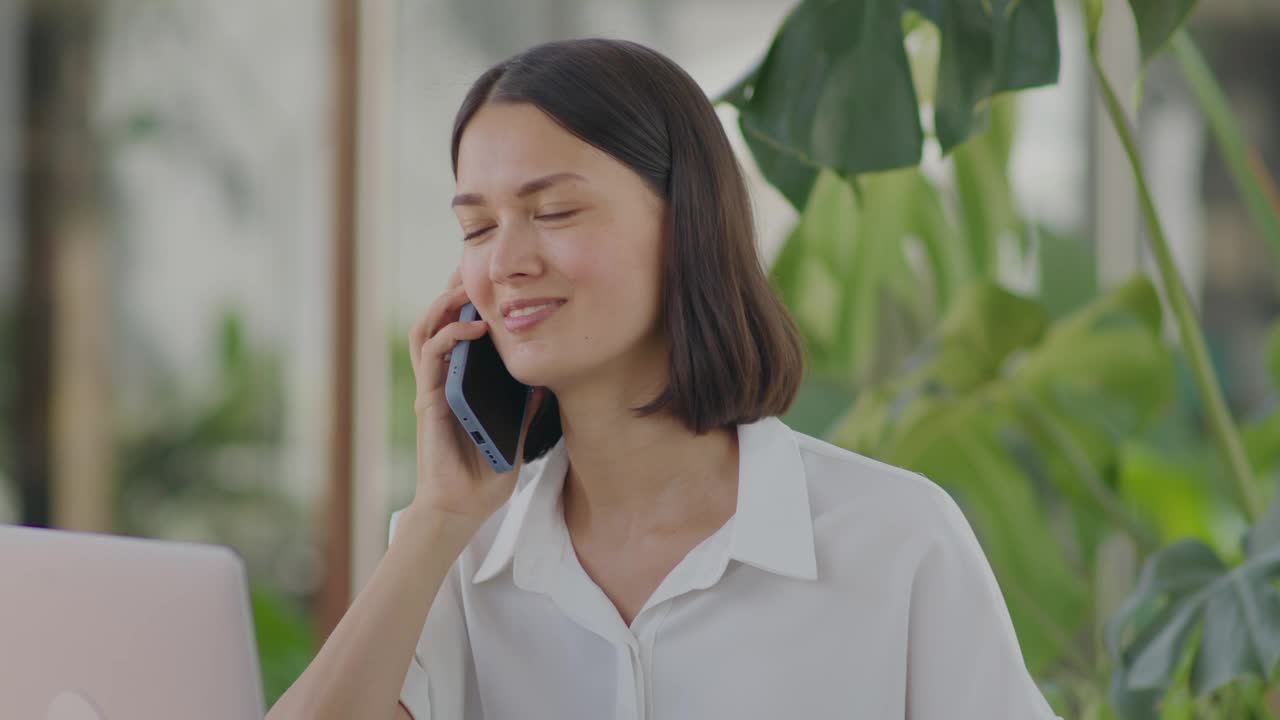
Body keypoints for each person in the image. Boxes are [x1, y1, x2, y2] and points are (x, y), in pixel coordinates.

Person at [266, 38, 1061, 720]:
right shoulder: (458, 555)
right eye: (477, 227)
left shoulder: (894, 539)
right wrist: (440, 517)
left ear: (687, 223)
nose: (506, 261)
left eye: (554, 213)